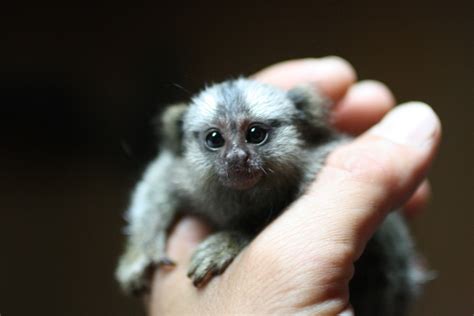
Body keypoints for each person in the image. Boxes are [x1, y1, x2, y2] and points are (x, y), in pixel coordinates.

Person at [145, 57, 441, 315]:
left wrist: (239, 239)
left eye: (256, 134)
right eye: (215, 140)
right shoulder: (179, 173)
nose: (236, 155)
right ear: (186, 146)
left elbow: (300, 228)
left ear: (303, 129)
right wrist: (142, 246)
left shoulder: (325, 168)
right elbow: (158, 183)